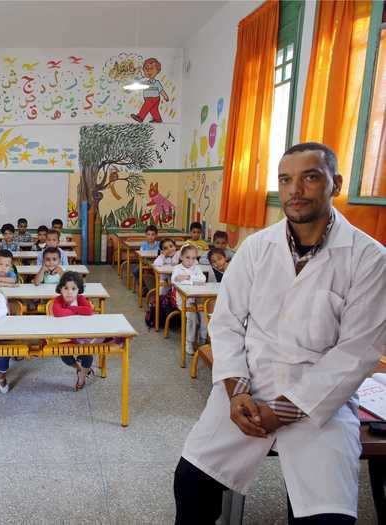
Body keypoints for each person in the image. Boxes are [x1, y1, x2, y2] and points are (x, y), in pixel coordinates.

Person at [174, 143, 386, 525]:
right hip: (247, 391)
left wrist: (285, 410)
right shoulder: (256, 249)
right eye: (286, 180)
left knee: (323, 518)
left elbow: (358, 351)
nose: (295, 190)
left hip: (320, 403)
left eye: (310, 177)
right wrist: (237, 392)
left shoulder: (368, 257)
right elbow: (226, 323)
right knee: (190, 482)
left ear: (334, 184)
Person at [52, 271, 96, 391]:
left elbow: (89, 311)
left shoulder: (81, 298)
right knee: (65, 357)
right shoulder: (58, 300)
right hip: (66, 337)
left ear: (78, 290)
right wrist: (77, 310)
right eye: (66, 288)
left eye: (73, 288)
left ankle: (81, 378)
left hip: (82, 336)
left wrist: (71, 308)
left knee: (87, 356)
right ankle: (80, 369)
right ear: (60, 289)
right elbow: (58, 313)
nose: (69, 292)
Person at [171, 244, 207, 357]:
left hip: (197, 298)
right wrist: (192, 280)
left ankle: (202, 339)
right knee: (192, 318)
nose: (191, 261)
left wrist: (188, 278)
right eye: (187, 257)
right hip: (183, 301)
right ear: (181, 257)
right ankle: (189, 343)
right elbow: (175, 281)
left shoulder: (196, 268)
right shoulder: (177, 269)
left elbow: (203, 279)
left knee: (204, 314)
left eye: (193, 258)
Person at [130, 57, 169, 123]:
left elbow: (161, 90)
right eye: (146, 69)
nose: (148, 71)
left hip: (153, 98)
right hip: (148, 98)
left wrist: (165, 96)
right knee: (153, 110)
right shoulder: (145, 82)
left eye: (151, 69)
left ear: (157, 70)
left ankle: (140, 117)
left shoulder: (156, 83)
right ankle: (158, 119)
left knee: (146, 106)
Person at [132, 224, 161, 292]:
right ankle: (143, 286)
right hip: (145, 263)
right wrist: (148, 263)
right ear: (145, 235)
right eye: (148, 234)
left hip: (157, 265)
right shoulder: (143, 245)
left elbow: (161, 255)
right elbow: (141, 257)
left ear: (156, 235)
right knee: (135, 271)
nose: (150, 237)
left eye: (153, 234)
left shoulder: (159, 244)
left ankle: (155, 287)